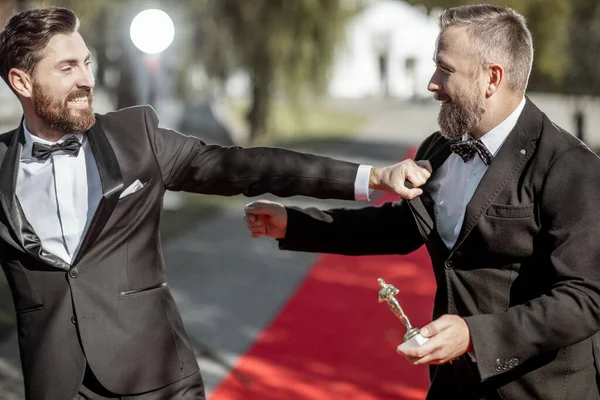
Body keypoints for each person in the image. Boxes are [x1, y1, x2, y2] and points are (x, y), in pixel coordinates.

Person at [0, 7, 432, 400]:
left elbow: (245, 167)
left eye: (88, 63)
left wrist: (371, 176)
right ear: (22, 81)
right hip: (56, 384)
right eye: (68, 67)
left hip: (156, 378)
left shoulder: (136, 136)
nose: (88, 79)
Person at [245, 4, 600, 400]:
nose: (432, 83)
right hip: (452, 385)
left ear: (492, 78)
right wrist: (295, 223)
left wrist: (474, 336)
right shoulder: (440, 149)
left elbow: (585, 299)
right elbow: (398, 227)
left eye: (445, 69)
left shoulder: (570, 167)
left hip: (539, 389)